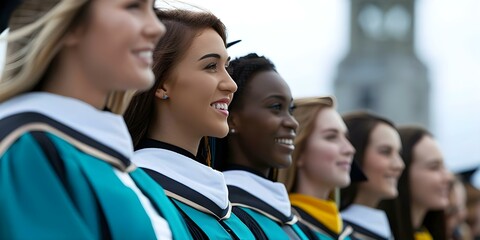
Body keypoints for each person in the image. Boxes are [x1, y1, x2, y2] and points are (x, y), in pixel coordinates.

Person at [0, 0, 190, 239]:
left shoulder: (130, 172)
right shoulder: (29, 151)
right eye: (133, 7)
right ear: (71, 24)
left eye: (151, 9)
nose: (157, 28)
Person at [124, 9, 255, 239]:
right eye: (211, 66)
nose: (231, 84)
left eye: (227, 66)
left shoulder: (231, 214)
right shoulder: (135, 197)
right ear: (161, 84)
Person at [214, 53, 309, 240]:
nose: (293, 123)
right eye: (275, 107)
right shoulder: (226, 216)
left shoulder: (290, 219)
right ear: (232, 119)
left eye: (290, 110)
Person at [278, 96, 357, 239]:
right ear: (298, 150)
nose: (349, 149)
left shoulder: (347, 232)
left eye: (346, 137)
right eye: (331, 137)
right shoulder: (280, 228)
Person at [379, 126, 452, 240]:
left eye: (444, 166)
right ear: (401, 171)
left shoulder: (426, 234)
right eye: (434, 167)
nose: (448, 177)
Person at [339, 112, 404, 240]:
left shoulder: (380, 227)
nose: (399, 165)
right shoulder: (335, 231)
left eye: (399, 153)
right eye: (385, 152)